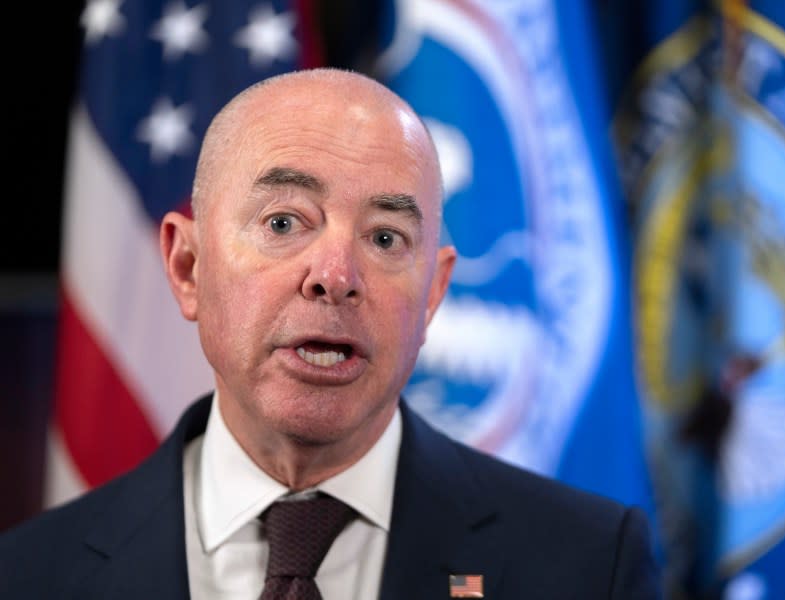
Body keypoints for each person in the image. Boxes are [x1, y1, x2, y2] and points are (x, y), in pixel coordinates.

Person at [0, 69, 660, 599]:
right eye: (285, 223)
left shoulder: (588, 565)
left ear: (433, 293)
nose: (336, 276)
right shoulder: (30, 576)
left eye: (385, 237)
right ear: (187, 267)